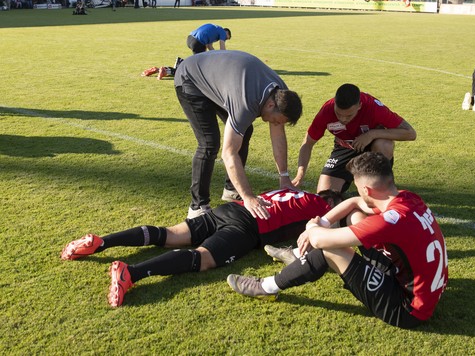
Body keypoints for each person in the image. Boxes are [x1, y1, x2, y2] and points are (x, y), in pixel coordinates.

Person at [227, 152, 448, 329]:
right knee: (355, 217)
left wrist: (312, 227)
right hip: (420, 286)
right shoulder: (407, 198)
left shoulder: (389, 221)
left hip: (408, 309)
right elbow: (353, 203)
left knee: (331, 249)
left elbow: (322, 241)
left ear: (366, 189)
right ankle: (295, 256)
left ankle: (266, 287)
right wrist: (322, 221)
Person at [60, 188, 342, 307]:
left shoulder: (299, 193)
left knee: (170, 234)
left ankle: (102, 242)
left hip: (232, 209)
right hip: (246, 228)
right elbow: (317, 233)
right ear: (332, 203)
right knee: (203, 258)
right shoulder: (321, 208)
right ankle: (131, 273)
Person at [174, 50, 303, 219]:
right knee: (209, 143)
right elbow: (229, 153)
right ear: (271, 105)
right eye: (277, 120)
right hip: (190, 79)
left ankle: (231, 189)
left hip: (221, 79)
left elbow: (278, 136)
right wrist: (248, 197)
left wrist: (284, 177)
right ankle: (198, 206)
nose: (276, 124)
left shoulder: (281, 94)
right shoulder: (246, 104)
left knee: (245, 129)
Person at [292, 83, 416, 194]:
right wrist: (300, 174)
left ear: (359, 106)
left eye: (349, 115)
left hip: (372, 145)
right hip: (345, 146)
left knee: (384, 144)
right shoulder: (326, 111)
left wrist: (371, 134)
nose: (343, 119)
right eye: (338, 114)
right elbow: (308, 143)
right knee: (325, 195)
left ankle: (382, 186)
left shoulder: (374, 108)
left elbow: (410, 133)